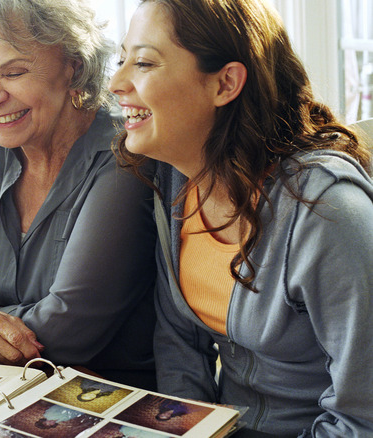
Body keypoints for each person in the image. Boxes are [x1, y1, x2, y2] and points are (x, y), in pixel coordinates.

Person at [109, 0, 373, 435]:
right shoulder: (177, 181)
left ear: (225, 83)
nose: (117, 82)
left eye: (143, 62)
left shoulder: (329, 215)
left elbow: (362, 418)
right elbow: (179, 346)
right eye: (121, 60)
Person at [0, 0, 158, 390]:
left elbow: (69, 329)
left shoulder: (125, 156)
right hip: (5, 387)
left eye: (14, 73)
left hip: (109, 397)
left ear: (74, 66)